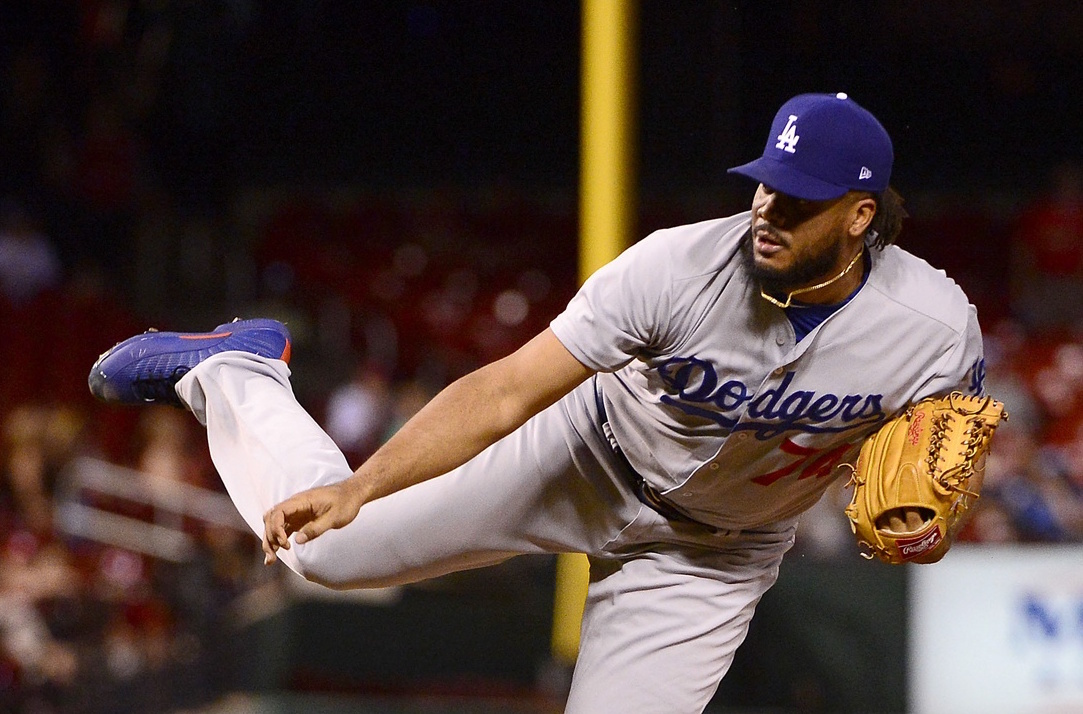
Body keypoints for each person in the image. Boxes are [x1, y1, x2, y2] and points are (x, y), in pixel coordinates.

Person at [87, 93, 987, 713]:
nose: (765, 210)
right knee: (329, 554)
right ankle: (238, 370)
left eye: (796, 203)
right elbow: (508, 387)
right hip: (582, 455)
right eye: (762, 185)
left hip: (711, 558)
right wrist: (363, 486)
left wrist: (929, 518)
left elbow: (943, 456)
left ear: (859, 217)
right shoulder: (676, 268)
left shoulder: (934, 328)